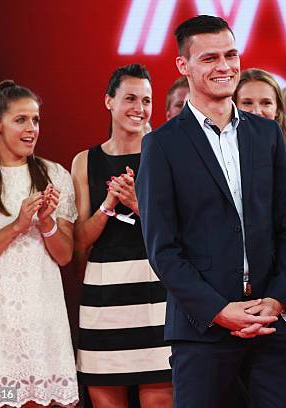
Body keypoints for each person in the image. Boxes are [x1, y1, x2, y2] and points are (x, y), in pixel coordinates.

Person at [136, 15, 286, 408]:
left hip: (272, 326)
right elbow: (163, 249)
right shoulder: (161, 146)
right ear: (184, 66)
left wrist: (278, 301)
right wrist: (219, 310)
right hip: (202, 332)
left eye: (231, 55)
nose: (225, 67)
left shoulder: (266, 135)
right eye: (210, 58)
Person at [0, 80, 79, 407]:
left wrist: (47, 221)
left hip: (43, 324)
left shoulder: (56, 176)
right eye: (21, 120)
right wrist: (18, 226)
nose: (31, 128)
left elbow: (65, 256)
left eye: (35, 120)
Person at [71, 64, 172, 408]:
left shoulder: (167, 154)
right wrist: (109, 205)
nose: (139, 108)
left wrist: (138, 204)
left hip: (158, 298)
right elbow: (79, 241)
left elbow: (185, 231)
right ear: (108, 102)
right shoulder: (85, 161)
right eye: (130, 98)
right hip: (103, 302)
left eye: (146, 100)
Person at [233, 68, 286, 139]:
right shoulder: (218, 149)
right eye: (247, 103)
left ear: (278, 109)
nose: (257, 112)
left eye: (266, 103)